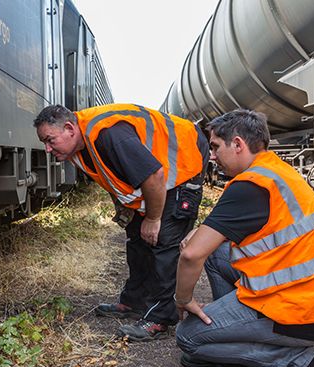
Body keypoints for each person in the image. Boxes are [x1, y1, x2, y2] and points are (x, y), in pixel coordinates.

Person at [174, 109, 314, 367]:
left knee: (190, 338)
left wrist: (182, 299)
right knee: (219, 254)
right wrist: (201, 233)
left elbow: (192, 253)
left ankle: (306, 363)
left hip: (303, 312)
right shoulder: (274, 171)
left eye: (216, 147)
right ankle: (232, 349)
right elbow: (223, 239)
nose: (212, 156)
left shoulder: (249, 186)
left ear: (237, 144)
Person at [33, 103, 209, 341]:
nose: (47, 148)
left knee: (163, 243)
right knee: (137, 239)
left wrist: (154, 218)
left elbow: (154, 175)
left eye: (50, 140)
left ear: (68, 128)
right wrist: (130, 214)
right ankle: (134, 302)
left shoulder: (109, 134)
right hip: (156, 179)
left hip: (183, 167)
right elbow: (114, 177)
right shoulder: (81, 144)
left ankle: (159, 318)